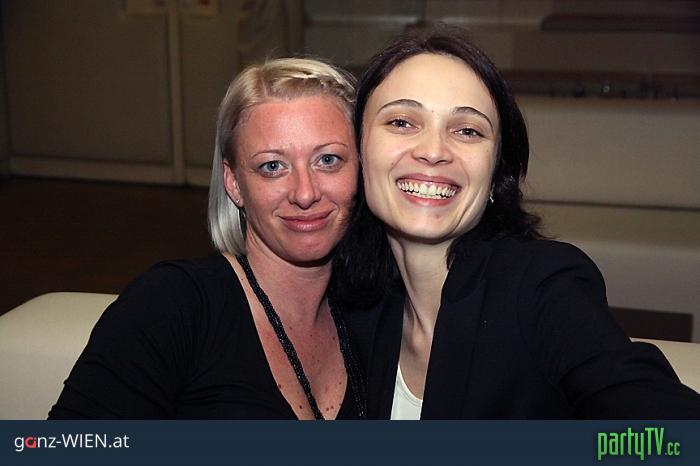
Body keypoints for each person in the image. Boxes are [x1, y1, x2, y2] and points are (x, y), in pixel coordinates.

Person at [336, 27, 700, 419]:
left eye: (467, 130)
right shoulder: (354, 303)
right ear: (358, 152)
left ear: (496, 175)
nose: (434, 150)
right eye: (402, 122)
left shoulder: (541, 288)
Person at [49, 58, 366, 419]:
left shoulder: (375, 311)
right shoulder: (171, 306)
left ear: (362, 167)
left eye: (328, 160)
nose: (305, 193)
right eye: (272, 166)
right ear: (234, 183)